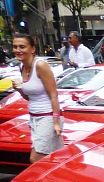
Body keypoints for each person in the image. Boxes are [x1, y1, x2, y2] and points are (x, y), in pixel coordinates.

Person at [11, 33, 63, 166]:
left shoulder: (40, 65)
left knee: (36, 158)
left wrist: (56, 121)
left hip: (48, 117)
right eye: (15, 47)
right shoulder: (22, 67)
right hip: (34, 118)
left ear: (32, 49)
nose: (18, 50)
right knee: (53, 158)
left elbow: (53, 94)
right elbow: (30, 98)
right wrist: (19, 89)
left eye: (22, 47)